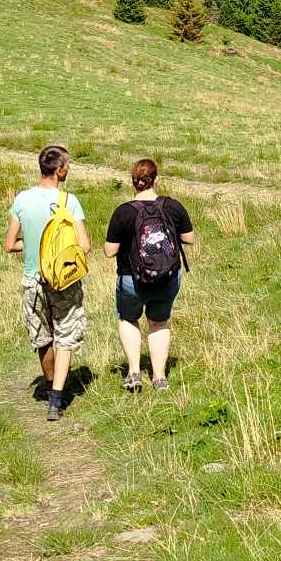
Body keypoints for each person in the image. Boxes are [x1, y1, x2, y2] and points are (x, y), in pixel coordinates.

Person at [4, 145, 90, 422]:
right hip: (64, 280)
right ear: (59, 169)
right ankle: (56, 397)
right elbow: (85, 245)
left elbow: (9, 244)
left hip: (32, 278)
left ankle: (50, 380)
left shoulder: (22, 199)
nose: (69, 169)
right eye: (68, 165)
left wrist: (34, 245)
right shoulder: (69, 201)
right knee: (65, 335)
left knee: (42, 336)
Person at [104, 159, 195, 393]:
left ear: (133, 183)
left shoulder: (123, 212)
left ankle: (134, 372)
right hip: (167, 276)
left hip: (131, 279)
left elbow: (109, 251)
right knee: (159, 322)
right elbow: (189, 238)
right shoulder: (172, 206)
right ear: (157, 180)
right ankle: (160, 377)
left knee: (128, 318)